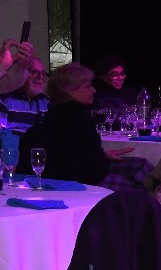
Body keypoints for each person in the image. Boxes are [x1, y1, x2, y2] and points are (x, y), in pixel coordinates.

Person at [16, 62, 149, 190]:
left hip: (71, 176)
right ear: (71, 91)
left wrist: (102, 155)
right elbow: (94, 169)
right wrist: (101, 158)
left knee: (142, 167)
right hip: (79, 184)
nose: (93, 90)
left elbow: (81, 155)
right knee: (136, 185)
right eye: (88, 86)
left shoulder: (56, 114)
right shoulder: (78, 118)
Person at [1, 58, 49, 131]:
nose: (41, 77)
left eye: (43, 73)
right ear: (21, 74)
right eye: (35, 73)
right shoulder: (5, 99)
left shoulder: (46, 102)